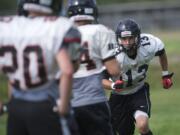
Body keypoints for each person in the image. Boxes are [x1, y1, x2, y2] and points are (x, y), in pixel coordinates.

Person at [0, 0, 82, 135]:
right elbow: (68, 70)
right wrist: (63, 106)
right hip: (46, 104)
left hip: (16, 107)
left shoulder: (8, 26)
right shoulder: (58, 27)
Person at [102, 18, 174, 135]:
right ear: (118, 39)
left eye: (130, 38)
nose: (127, 42)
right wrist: (113, 85)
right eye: (124, 39)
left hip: (138, 91)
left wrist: (165, 74)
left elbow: (161, 52)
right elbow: (101, 79)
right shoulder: (113, 55)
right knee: (124, 132)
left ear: (138, 37)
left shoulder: (148, 44)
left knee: (143, 125)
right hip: (119, 97)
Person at [67, 0, 121, 135]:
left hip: (67, 101)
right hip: (93, 100)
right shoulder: (101, 31)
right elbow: (114, 70)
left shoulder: (62, 32)